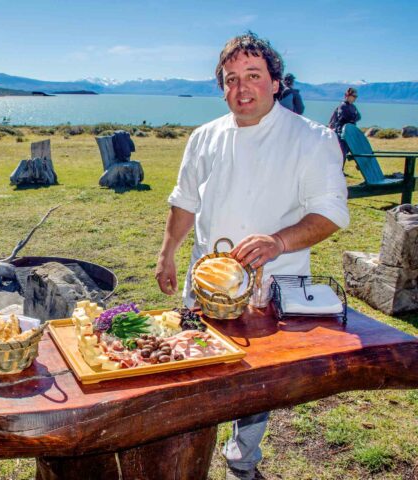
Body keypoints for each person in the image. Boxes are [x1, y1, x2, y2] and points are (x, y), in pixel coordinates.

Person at [154, 32, 349, 480]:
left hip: (273, 283)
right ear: (221, 85)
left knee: (257, 383)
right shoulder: (205, 137)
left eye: (253, 76)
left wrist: (278, 242)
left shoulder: (312, 138)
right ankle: (191, 458)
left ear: (276, 82)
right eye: (230, 79)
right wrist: (167, 253)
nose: (241, 89)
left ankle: (242, 462)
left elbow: (332, 213)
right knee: (196, 370)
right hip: (204, 282)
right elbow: (184, 201)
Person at [328, 87, 361, 159]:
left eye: (356, 96)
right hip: (341, 135)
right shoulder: (342, 106)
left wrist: (352, 118)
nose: (355, 98)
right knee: (341, 155)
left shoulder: (353, 106)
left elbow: (359, 117)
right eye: (354, 96)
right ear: (348, 96)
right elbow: (346, 118)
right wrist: (353, 118)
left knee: (347, 153)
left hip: (349, 134)